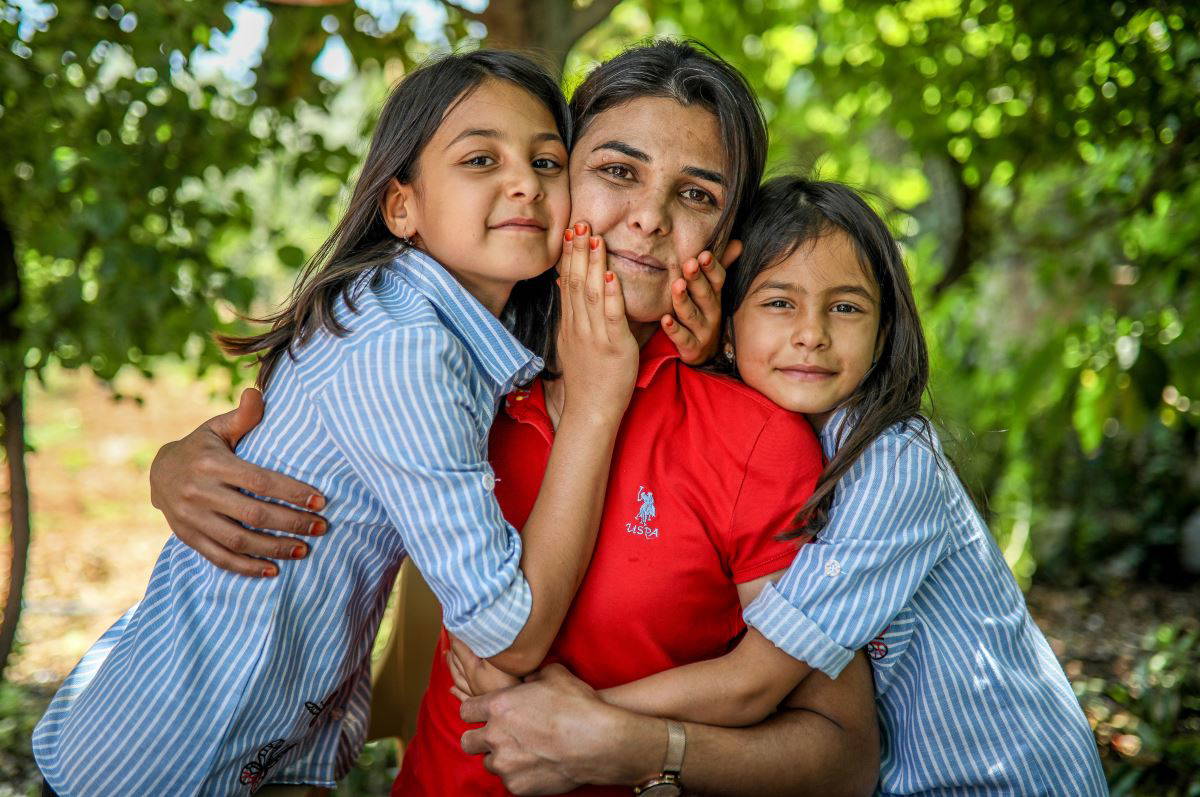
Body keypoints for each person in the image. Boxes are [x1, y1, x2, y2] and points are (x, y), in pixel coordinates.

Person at [149, 41, 882, 797]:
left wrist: (634, 744)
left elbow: (844, 758)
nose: (648, 219)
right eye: (617, 172)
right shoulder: (461, 368)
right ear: (559, 179)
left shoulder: (754, 436)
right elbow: (308, 438)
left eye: (696, 195)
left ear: (726, 241)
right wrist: (173, 467)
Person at [33, 50, 643, 795]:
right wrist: (595, 406)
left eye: (547, 162)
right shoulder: (403, 344)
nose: (525, 182)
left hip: (232, 739)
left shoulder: (441, 323)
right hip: (166, 758)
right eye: (480, 158)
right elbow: (507, 633)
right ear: (401, 207)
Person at [455, 177, 1109, 795]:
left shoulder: (895, 463)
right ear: (726, 323)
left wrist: (575, 717)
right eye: (778, 303)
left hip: (1002, 777)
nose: (811, 334)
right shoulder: (778, 428)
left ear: (883, 334)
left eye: (845, 307)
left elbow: (754, 683)